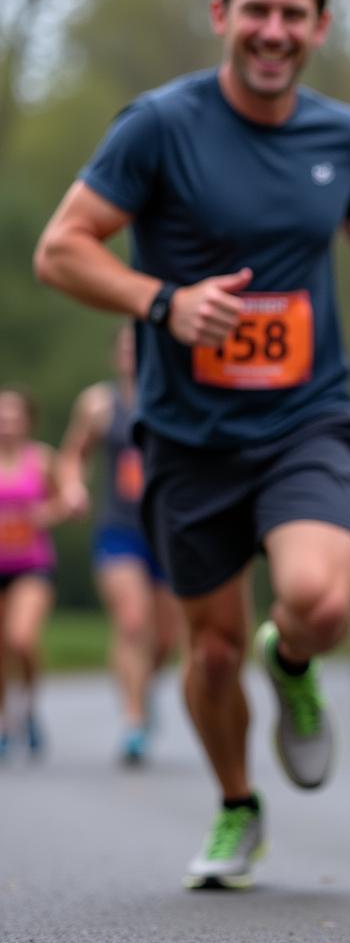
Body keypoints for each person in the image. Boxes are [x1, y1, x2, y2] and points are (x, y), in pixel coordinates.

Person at [34, 0, 350, 888]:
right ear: (222, 16)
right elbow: (61, 248)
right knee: (208, 649)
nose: (274, 30)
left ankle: (290, 660)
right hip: (187, 435)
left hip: (305, 419)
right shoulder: (159, 127)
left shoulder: (340, 135)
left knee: (320, 602)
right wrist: (161, 302)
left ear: (319, 27)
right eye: (257, 9)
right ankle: (238, 806)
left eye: (294, 14)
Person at [58, 325, 180, 765]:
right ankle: (133, 723)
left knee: (165, 638)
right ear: (115, 355)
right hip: (120, 529)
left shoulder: (175, 398)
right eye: (125, 346)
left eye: (140, 346)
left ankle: (144, 693)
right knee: (131, 623)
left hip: (168, 531)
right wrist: (73, 488)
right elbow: (74, 454)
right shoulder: (99, 403)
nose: (132, 353)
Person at [0, 388, 63, 760]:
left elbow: (63, 499)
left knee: (21, 639)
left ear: (27, 422)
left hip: (32, 565)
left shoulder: (41, 460)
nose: (6, 425)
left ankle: (29, 706)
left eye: (12, 417)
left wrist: (46, 514)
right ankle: (4, 722)